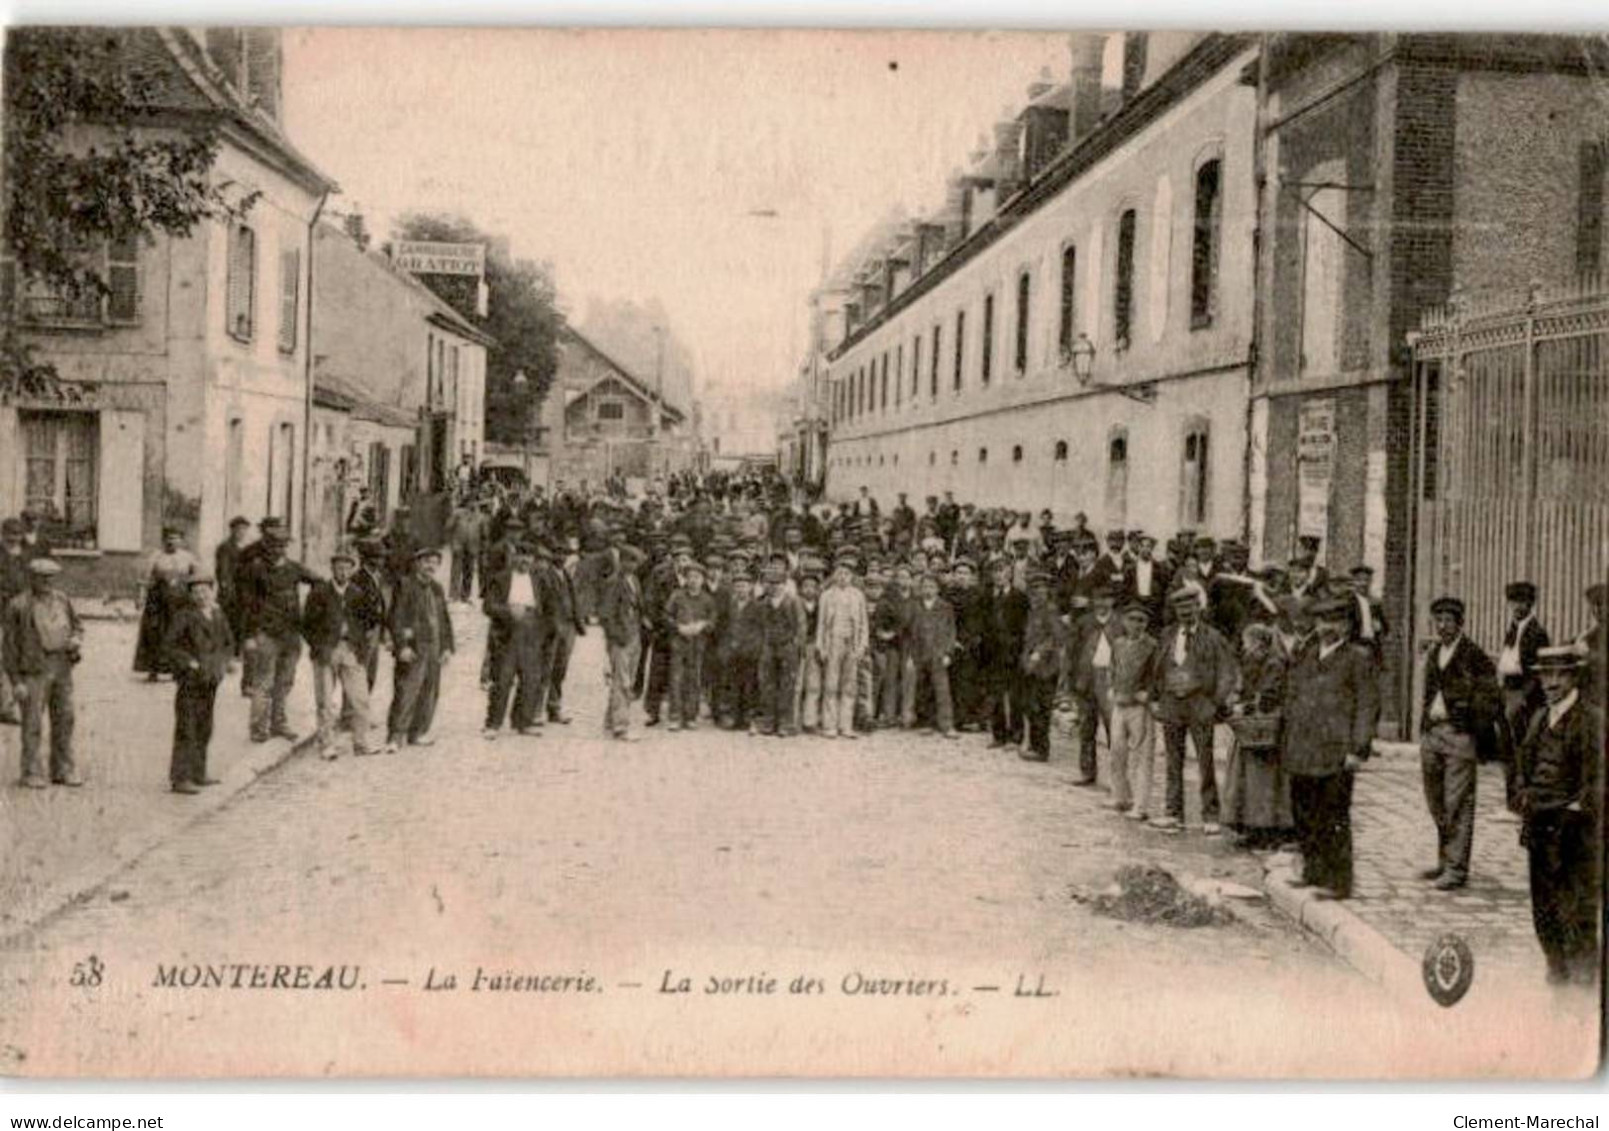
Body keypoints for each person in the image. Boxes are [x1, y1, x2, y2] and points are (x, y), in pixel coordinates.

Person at [1513, 644, 1604, 985]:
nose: (1550, 682)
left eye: (1558, 675)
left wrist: (1579, 807)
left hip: (1573, 832)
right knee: (1544, 909)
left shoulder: (1590, 720)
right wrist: (1522, 793)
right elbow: (1523, 763)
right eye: (1544, 675)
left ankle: (1582, 986)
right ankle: (1556, 972)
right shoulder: (1540, 717)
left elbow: (1597, 779)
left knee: (1576, 910)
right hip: (1539, 827)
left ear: (1573, 676)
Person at [1281, 597, 1376, 899]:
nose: (1326, 628)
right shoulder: (1306, 656)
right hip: (1303, 748)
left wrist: (1358, 748)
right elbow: (1292, 696)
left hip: (1335, 752)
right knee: (1304, 813)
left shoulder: (1357, 659)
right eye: (1322, 622)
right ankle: (1313, 870)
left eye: (1333, 622)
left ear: (1346, 626)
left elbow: (1367, 705)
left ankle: (1337, 881)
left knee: (1333, 816)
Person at [1419, 595, 1500, 891]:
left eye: (1448, 621)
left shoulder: (1474, 656)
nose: (1442, 626)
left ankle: (1456, 868)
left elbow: (1490, 698)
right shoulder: (1433, 653)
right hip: (1432, 734)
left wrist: (1468, 723)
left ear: (1460, 623)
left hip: (1458, 736)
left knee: (1458, 803)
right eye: (1438, 620)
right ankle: (1444, 860)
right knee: (1436, 800)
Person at [1151, 587, 1236, 834]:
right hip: (1172, 705)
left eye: (1190, 607)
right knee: (1172, 760)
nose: (1185, 613)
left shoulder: (1213, 637)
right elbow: (1157, 668)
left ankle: (1210, 814)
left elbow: (1226, 672)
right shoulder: (1167, 635)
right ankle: (1173, 812)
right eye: (1180, 608)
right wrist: (1157, 698)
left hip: (1200, 704)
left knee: (1205, 761)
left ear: (1199, 607)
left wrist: (1215, 703)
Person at [3, 558, 83, 788]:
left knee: (65, 719)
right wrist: (16, 681)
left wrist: (76, 639)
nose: (47, 581)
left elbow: (77, 625)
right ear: (32, 578)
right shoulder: (18, 605)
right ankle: (31, 771)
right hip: (33, 670)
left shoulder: (63, 600)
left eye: (51, 577)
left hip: (62, 667)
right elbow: (9, 648)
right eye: (42, 576)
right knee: (32, 722)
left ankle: (63, 769)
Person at [302, 545, 386, 759]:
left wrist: (359, 641)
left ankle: (361, 742)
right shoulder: (320, 593)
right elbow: (306, 625)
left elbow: (370, 620)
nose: (343, 573)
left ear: (352, 570)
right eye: (339, 568)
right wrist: (318, 646)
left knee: (360, 698)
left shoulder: (357, 594)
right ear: (332, 569)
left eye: (347, 568)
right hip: (326, 651)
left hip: (350, 650)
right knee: (325, 701)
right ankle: (327, 744)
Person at [239, 531, 317, 744]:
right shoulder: (255, 569)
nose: (277, 550)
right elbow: (246, 605)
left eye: (282, 546)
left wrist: (311, 607)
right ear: (266, 547)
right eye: (273, 546)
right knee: (264, 683)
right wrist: (248, 635)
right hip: (266, 633)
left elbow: (319, 582)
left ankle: (278, 723)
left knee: (284, 682)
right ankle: (258, 728)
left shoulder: (293, 568)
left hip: (291, 634)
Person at [1222, 622, 1292, 849]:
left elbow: (1270, 694)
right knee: (1249, 780)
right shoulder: (1255, 661)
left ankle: (1266, 827)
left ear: (1259, 643)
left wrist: (1247, 706)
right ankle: (1251, 825)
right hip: (1254, 728)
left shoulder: (1273, 663)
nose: (1246, 647)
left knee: (1263, 781)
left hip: (1265, 726)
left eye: (1248, 642)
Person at [164, 572, 234, 792]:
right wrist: (188, 663)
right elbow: (169, 646)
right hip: (190, 681)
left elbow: (228, 642)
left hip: (210, 679)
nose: (202, 596)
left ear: (212, 592)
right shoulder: (184, 616)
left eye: (205, 591)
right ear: (191, 595)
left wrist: (223, 662)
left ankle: (198, 772)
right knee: (187, 727)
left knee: (205, 726)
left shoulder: (218, 614)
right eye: (196, 592)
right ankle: (180, 778)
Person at [387, 547, 453, 749]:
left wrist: (447, 647)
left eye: (434, 562)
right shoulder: (405, 585)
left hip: (434, 647)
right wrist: (402, 646)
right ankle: (395, 736)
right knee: (407, 690)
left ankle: (418, 732)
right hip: (414, 648)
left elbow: (444, 619)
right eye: (426, 561)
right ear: (417, 563)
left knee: (429, 691)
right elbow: (396, 617)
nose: (430, 566)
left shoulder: (437, 588)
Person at [481, 540, 543, 739]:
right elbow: (488, 606)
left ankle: (523, 722)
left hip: (531, 633)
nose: (525, 560)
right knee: (502, 679)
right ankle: (493, 724)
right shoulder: (500, 579)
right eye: (521, 555)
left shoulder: (538, 579)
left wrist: (542, 629)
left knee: (530, 679)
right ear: (514, 556)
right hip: (507, 634)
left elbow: (549, 607)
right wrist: (508, 612)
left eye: (529, 556)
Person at [1496, 580, 1550, 810]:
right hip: (1508, 690)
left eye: (1523, 602)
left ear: (1531, 604)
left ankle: (1524, 797)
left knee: (1524, 748)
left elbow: (1539, 672)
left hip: (1526, 696)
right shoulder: (1512, 629)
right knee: (1507, 747)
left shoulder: (1537, 633)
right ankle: (1512, 798)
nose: (1518, 607)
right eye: (1514, 602)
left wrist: (1523, 698)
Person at [1107, 602, 1160, 819]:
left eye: (1141, 620)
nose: (1136, 624)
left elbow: (1158, 675)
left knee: (1142, 756)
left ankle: (1141, 805)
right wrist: (1111, 687)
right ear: (1123, 621)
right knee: (1116, 753)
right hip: (1120, 704)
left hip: (1140, 707)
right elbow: (1112, 668)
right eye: (1132, 619)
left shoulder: (1152, 646)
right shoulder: (1118, 644)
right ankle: (1121, 797)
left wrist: (1149, 693)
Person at [1070, 584, 1122, 789]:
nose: (1102, 603)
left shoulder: (1120, 623)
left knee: (1114, 730)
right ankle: (1087, 771)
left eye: (1107, 599)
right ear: (1093, 602)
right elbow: (1073, 652)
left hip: (1110, 680)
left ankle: (1116, 777)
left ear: (1112, 602)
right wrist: (1073, 679)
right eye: (1098, 599)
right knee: (1086, 728)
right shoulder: (1084, 622)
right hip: (1087, 678)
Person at [134, 526, 198, 680]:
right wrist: (141, 597)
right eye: (169, 539)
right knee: (155, 633)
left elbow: (197, 578)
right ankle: (153, 669)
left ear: (181, 541)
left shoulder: (188, 558)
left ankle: (178, 668)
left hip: (181, 602)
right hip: (158, 602)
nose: (172, 542)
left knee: (180, 634)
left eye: (175, 538)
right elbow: (144, 580)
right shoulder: (155, 557)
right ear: (164, 541)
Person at [816, 556, 869, 740]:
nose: (843, 577)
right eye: (839, 573)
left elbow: (863, 623)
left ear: (852, 576)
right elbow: (821, 624)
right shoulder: (827, 595)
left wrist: (862, 645)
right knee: (831, 684)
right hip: (833, 641)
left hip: (851, 642)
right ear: (834, 575)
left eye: (847, 573)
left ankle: (845, 725)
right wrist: (821, 646)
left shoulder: (858, 595)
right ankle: (829, 725)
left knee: (849, 685)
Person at [533, 541, 585, 725]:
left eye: (565, 553)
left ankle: (554, 708)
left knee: (560, 670)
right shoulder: (544, 576)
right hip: (552, 627)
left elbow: (574, 599)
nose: (561, 557)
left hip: (568, 626)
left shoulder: (566, 575)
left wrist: (578, 621)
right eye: (558, 552)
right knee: (545, 669)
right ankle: (535, 710)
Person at [596, 544, 644, 742]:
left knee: (627, 679)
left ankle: (610, 720)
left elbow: (638, 607)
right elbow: (606, 615)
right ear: (621, 562)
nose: (631, 565)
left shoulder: (634, 580)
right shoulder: (613, 582)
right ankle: (620, 726)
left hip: (634, 634)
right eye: (628, 560)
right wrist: (617, 637)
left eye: (634, 561)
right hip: (622, 637)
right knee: (622, 682)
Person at [755, 559, 806, 737]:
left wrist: (796, 646)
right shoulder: (763, 604)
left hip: (787, 647)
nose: (774, 587)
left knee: (787, 685)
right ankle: (769, 721)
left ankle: (786, 723)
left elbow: (801, 627)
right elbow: (759, 627)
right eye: (771, 583)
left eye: (778, 583)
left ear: (785, 584)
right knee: (768, 685)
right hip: (769, 647)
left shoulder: (793, 602)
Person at [1017, 570, 1065, 761]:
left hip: (1046, 667)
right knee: (1031, 705)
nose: (1037, 592)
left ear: (1047, 590)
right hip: (1031, 665)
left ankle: (1042, 749)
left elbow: (1057, 638)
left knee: (1042, 707)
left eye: (1041, 588)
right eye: (1034, 588)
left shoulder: (1051, 610)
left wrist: (1039, 652)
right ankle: (1036, 744)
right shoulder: (1033, 611)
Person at [665, 560, 716, 731]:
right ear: (685, 579)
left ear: (702, 580)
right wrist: (678, 627)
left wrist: (702, 626)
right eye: (690, 577)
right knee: (676, 678)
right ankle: (675, 716)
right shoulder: (677, 596)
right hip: (679, 643)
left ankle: (691, 716)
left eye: (697, 577)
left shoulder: (707, 599)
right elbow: (666, 616)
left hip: (698, 644)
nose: (693, 580)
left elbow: (713, 621)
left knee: (694, 679)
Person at [0, 518, 31, 724]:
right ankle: (5, 705)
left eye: (17, 536)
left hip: (20, 613)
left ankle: (9, 705)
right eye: (9, 536)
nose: (13, 540)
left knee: (16, 657)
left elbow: (30, 582)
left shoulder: (25, 556)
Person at [214, 516, 252, 658]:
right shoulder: (225, 547)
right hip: (231, 590)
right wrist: (226, 587)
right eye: (238, 529)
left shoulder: (249, 548)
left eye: (244, 530)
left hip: (246, 589)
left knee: (244, 620)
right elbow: (223, 570)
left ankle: (240, 651)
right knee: (229, 619)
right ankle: (227, 651)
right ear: (232, 530)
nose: (241, 532)